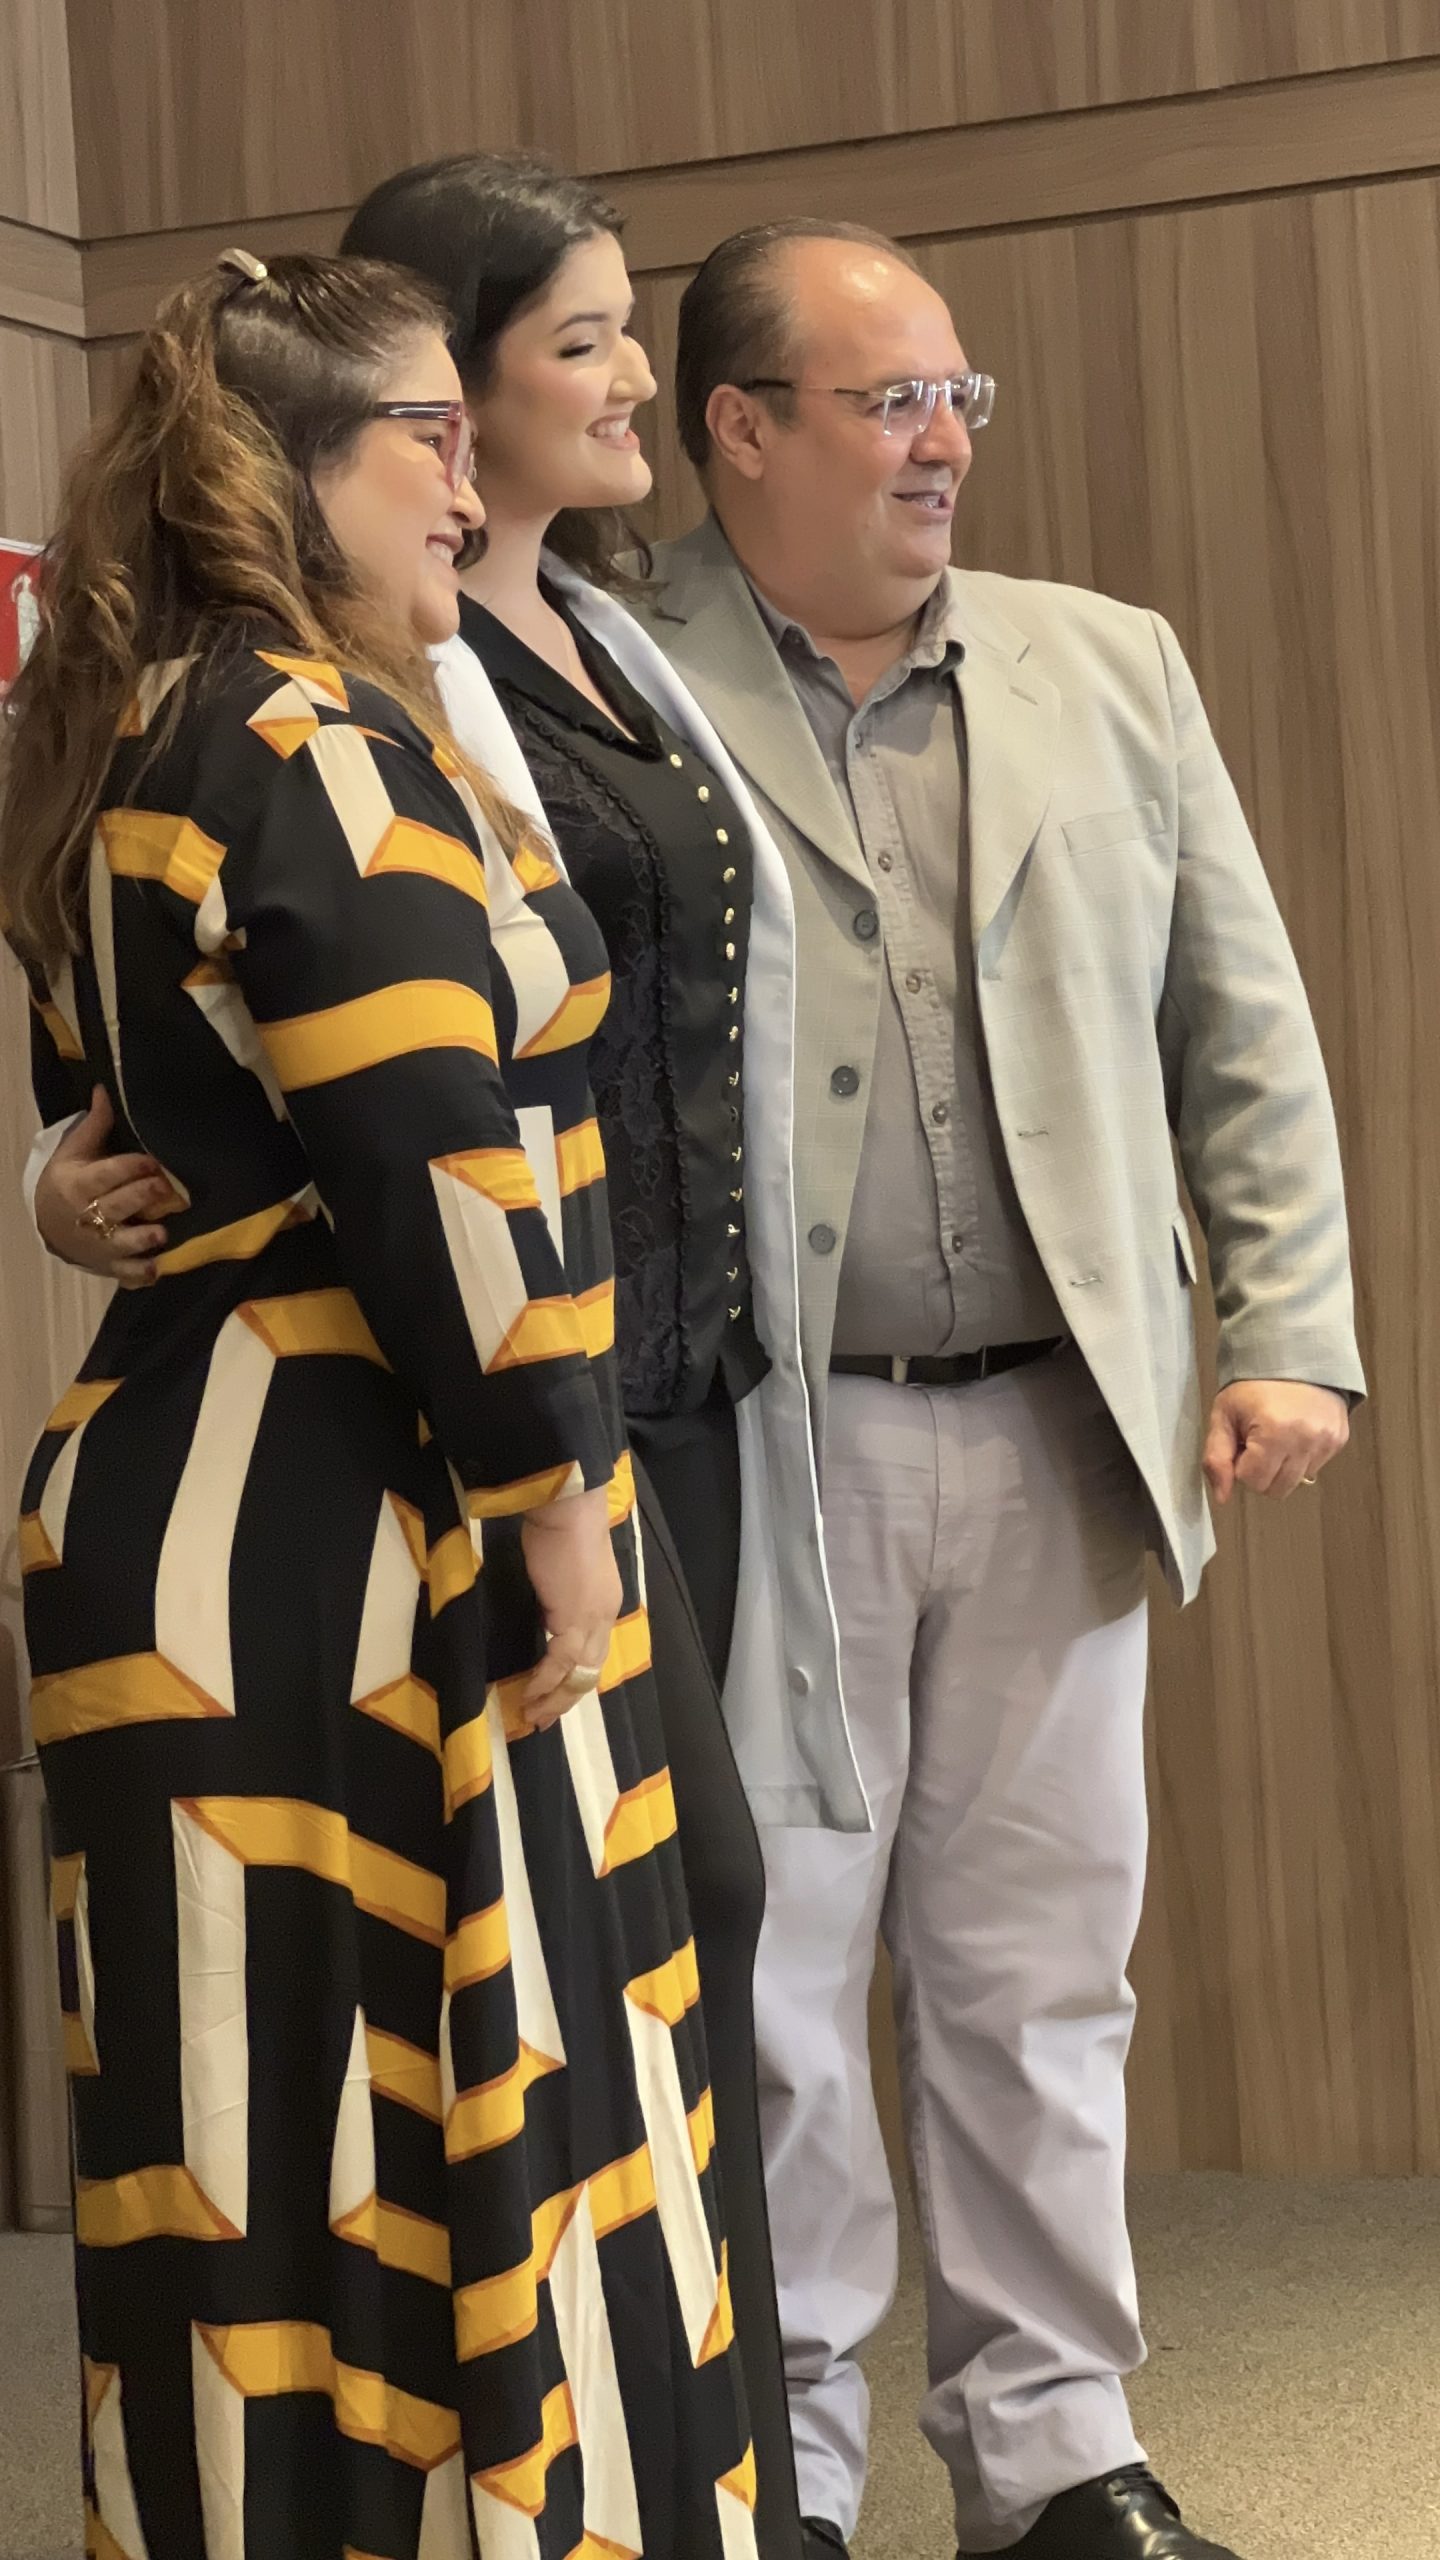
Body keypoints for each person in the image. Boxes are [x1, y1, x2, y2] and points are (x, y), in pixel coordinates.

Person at [4, 247, 760, 2560]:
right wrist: (557, 1490)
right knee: (383, 2127)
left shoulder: (144, 717)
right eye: (425, 437)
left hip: (202, 1508)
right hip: (349, 1517)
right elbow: (432, 1145)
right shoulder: (303, 735)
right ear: (286, 471)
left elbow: (108, 1097)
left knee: (251, 2134)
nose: (464, 483)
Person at [632, 221, 1365, 2560]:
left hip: (1063, 1420)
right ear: (739, 426)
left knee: (1041, 1968)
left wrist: (1288, 1324)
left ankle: (1054, 2449)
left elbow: (1238, 1020)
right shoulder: (610, 668)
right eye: (891, 401)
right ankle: (785, 2462)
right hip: (768, 1435)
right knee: (775, 1970)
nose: (943, 440)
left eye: (960, 395)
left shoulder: (1105, 662)